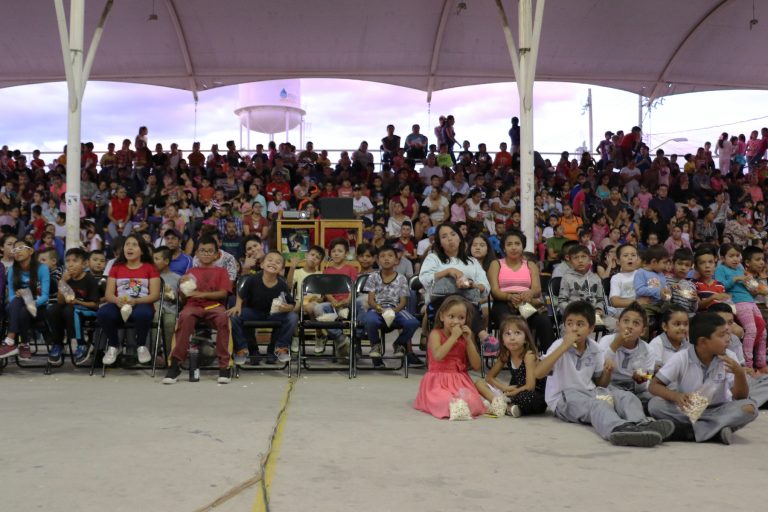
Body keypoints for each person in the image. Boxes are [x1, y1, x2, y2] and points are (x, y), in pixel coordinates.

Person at [535, 300, 674, 447]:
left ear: (591, 329)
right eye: (569, 324)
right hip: (564, 397)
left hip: (590, 391)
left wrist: (607, 372)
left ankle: (641, 423)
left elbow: (600, 383)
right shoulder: (558, 345)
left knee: (625, 396)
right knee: (598, 405)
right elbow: (538, 373)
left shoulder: (594, 348)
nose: (574, 329)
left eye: (580, 324)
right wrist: (564, 346)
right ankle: (618, 428)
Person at [648, 312, 758, 444]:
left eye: (727, 333)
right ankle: (717, 431)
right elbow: (654, 385)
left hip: (720, 409)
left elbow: (740, 397)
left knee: (750, 408)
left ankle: (687, 432)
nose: (728, 339)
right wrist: (676, 396)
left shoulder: (729, 357)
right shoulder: (682, 357)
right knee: (655, 404)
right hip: (689, 410)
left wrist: (739, 373)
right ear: (703, 342)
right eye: (722, 335)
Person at [163, 236, 233, 384]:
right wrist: (182, 288)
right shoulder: (191, 271)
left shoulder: (221, 271)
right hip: (193, 305)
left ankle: (224, 366)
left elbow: (223, 293)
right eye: (203, 250)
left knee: (223, 319)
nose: (206, 254)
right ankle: (175, 365)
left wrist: (203, 294)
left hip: (215, 306)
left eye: (210, 251)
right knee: (184, 318)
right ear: (197, 253)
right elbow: (184, 297)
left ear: (217, 255)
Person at [419, 223, 492, 347]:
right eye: (444, 236)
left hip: (469, 302)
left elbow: (485, 286)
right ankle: (482, 334)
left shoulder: (472, 261)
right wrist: (448, 271)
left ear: (459, 238)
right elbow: (424, 279)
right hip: (440, 305)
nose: (450, 238)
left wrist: (472, 285)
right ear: (439, 242)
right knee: (457, 302)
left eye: (453, 234)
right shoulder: (433, 259)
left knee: (464, 304)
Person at [413, 296, 486, 419]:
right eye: (451, 316)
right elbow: (438, 356)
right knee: (444, 400)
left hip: (460, 380)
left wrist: (468, 341)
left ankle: (460, 406)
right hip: (437, 381)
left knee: (474, 402)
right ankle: (456, 406)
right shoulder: (436, 334)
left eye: (461, 318)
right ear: (442, 316)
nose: (456, 321)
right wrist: (453, 338)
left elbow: (477, 366)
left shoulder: (466, 336)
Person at [96, 235, 161, 366]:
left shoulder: (150, 268)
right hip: (119, 305)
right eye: (127, 244)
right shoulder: (116, 268)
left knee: (142, 313)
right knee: (103, 313)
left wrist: (136, 301)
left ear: (142, 250)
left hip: (141, 304)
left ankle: (141, 346)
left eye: (134, 244)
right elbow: (108, 294)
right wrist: (116, 300)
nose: (129, 247)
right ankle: (114, 346)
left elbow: (155, 295)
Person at [488, 230, 554, 353]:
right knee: (509, 322)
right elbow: (495, 291)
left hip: (525, 303)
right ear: (504, 247)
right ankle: (513, 358)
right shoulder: (496, 264)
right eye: (509, 244)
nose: (513, 247)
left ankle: (549, 360)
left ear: (522, 246)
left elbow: (537, 290)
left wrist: (529, 293)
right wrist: (509, 297)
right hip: (503, 302)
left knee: (543, 321)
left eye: (517, 244)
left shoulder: (530, 265)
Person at [228, 251, 299, 364]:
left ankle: (280, 347)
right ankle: (241, 349)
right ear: (262, 265)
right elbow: (240, 293)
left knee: (293, 317)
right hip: (253, 312)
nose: (273, 263)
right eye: (270, 260)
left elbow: (291, 303)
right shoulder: (252, 279)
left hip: (273, 314)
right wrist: (237, 306)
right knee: (234, 317)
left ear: (281, 269)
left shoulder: (282, 284)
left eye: (278, 262)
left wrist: (288, 308)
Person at [475, 315, 546, 417]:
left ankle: (503, 405)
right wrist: (504, 388)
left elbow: (530, 386)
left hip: (531, 394)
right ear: (502, 341)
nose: (512, 338)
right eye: (508, 334)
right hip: (513, 391)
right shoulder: (506, 354)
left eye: (517, 333)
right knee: (479, 383)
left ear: (526, 339)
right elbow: (489, 377)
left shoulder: (529, 356)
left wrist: (513, 392)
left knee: (526, 397)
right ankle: (505, 405)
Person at [362, 245, 420, 362]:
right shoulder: (373, 276)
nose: (386, 259)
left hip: (396, 309)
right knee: (369, 320)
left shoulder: (402, 278)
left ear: (396, 261)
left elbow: (403, 301)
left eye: (390, 256)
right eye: (382, 256)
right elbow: (370, 300)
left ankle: (399, 343)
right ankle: (376, 345)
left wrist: (393, 311)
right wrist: (380, 309)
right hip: (377, 309)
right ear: (377, 261)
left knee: (413, 322)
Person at [716, 243, 767, 371]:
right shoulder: (721, 269)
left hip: (750, 301)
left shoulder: (740, 268)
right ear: (722, 258)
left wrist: (753, 285)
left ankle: (761, 362)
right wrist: (736, 278)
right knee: (751, 330)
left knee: (764, 331)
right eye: (731, 256)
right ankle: (747, 364)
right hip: (738, 302)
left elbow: (749, 287)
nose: (735, 259)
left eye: (737, 256)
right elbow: (720, 286)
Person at [45, 248, 99, 365]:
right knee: (52, 310)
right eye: (68, 261)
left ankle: (81, 344)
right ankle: (58, 344)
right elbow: (60, 301)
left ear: (84, 264)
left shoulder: (89, 279)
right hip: (69, 309)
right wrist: (62, 282)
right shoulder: (67, 278)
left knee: (71, 310)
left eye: (75, 261)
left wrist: (78, 302)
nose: (70, 264)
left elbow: (95, 305)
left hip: (87, 311)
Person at [0, 241, 50, 359]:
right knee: (18, 302)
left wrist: (30, 302)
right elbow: (12, 296)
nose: (17, 251)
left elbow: (45, 297)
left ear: (31, 251)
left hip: (38, 307)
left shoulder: (42, 268)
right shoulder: (12, 270)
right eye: (15, 249)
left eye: (21, 248)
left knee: (23, 308)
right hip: (16, 307)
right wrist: (23, 297)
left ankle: (11, 341)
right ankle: (23, 344)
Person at [597, 303, 654, 403]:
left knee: (655, 398)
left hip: (635, 390)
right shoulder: (606, 341)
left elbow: (648, 377)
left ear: (642, 331)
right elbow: (599, 369)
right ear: (618, 325)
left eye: (636, 323)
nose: (630, 326)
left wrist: (641, 380)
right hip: (611, 386)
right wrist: (615, 344)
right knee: (618, 398)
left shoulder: (648, 350)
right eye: (626, 321)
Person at [313, 238, 357, 357]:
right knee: (317, 308)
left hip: (348, 304)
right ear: (330, 253)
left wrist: (347, 300)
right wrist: (333, 301)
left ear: (346, 253)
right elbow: (326, 290)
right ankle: (340, 337)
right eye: (333, 251)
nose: (336, 253)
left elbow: (353, 287)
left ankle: (344, 343)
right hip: (332, 305)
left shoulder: (351, 269)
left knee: (357, 306)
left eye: (340, 251)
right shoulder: (327, 271)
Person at [558, 244, 614, 330]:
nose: (580, 260)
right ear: (570, 261)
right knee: (567, 328)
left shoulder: (596, 278)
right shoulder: (567, 278)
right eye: (575, 258)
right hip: (575, 316)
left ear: (589, 259)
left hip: (593, 315)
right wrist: (573, 311)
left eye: (583, 257)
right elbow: (562, 301)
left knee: (615, 324)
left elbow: (601, 299)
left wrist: (598, 309)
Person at [633, 245, 671, 338]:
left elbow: (664, 288)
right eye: (664, 263)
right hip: (647, 306)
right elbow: (639, 290)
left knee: (672, 313)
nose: (666, 266)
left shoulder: (661, 273)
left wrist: (668, 292)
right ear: (654, 261)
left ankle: (662, 341)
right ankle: (643, 343)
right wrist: (658, 291)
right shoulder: (641, 272)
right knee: (644, 320)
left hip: (661, 305)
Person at [152, 246, 180, 362]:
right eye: (153, 258)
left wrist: (174, 296)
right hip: (154, 306)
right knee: (155, 317)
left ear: (167, 261)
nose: (154, 262)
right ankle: (155, 353)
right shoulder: (151, 277)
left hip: (171, 309)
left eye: (157, 259)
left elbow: (180, 299)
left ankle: (170, 355)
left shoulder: (177, 278)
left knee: (170, 322)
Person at [608, 244, 639, 319]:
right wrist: (638, 302)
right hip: (624, 313)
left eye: (633, 255)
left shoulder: (642, 274)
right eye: (625, 255)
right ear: (618, 261)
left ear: (637, 259)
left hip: (642, 311)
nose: (630, 257)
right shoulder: (616, 278)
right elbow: (615, 301)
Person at [666, 248, 698, 314]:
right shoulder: (666, 280)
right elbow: (664, 302)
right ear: (673, 263)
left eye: (687, 265)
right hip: (670, 315)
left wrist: (694, 300)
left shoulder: (691, 285)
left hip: (686, 316)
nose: (683, 268)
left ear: (690, 268)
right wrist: (670, 289)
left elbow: (693, 309)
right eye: (680, 264)